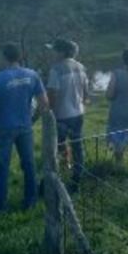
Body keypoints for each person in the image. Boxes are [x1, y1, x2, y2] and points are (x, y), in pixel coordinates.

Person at [0, 44, 48, 212]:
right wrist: (33, 119)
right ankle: (31, 201)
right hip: (25, 126)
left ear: (4, 57)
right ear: (20, 57)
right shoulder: (32, 75)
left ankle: (0, 206)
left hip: (3, 127)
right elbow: (44, 103)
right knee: (29, 165)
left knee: (1, 167)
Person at [47, 39, 89, 188]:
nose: (52, 53)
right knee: (77, 146)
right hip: (78, 113)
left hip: (61, 115)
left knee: (57, 146)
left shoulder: (56, 69)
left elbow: (52, 93)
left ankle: (61, 174)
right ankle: (77, 178)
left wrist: (49, 112)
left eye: (54, 50)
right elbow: (85, 93)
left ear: (62, 52)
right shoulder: (81, 67)